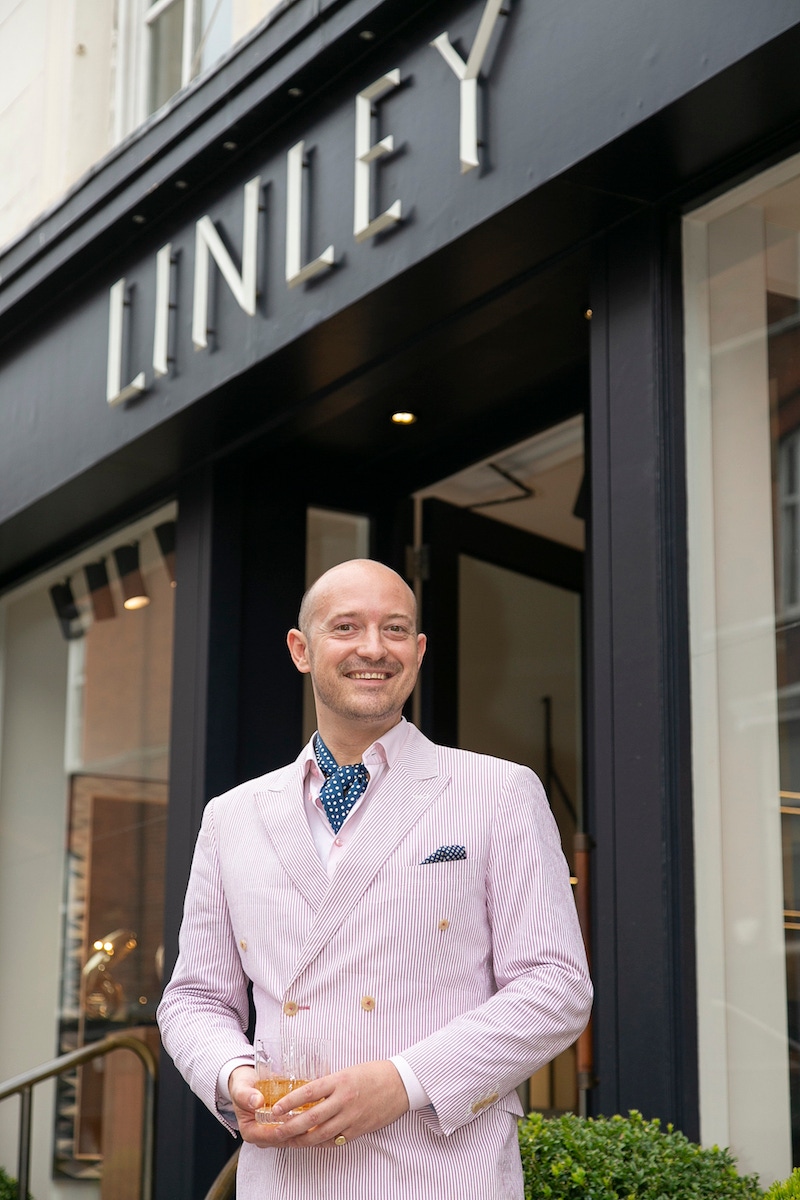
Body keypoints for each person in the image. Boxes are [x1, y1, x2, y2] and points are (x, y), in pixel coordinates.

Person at [157, 558, 592, 1200]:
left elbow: (556, 986)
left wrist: (402, 1081)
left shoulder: (497, 791)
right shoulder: (232, 817)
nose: (372, 649)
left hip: (444, 1172)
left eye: (394, 629)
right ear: (301, 650)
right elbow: (194, 997)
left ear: (417, 652)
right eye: (346, 627)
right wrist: (232, 1075)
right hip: (287, 1176)